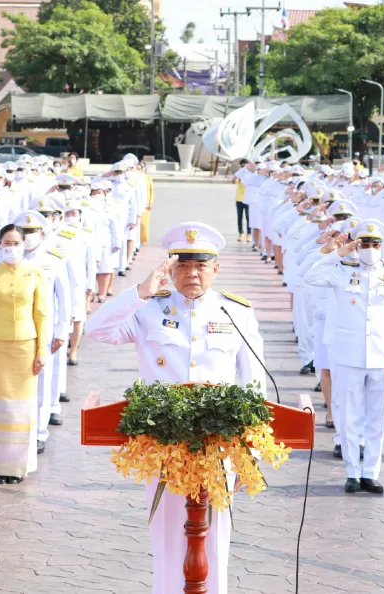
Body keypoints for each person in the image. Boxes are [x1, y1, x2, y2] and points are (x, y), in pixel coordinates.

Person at [85, 221, 265, 594]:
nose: (192, 274)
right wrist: (140, 291)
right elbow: (96, 329)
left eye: (201, 266)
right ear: (170, 269)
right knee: (166, 535)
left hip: (219, 445)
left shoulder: (236, 312)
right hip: (162, 444)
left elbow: (254, 383)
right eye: (183, 266)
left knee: (216, 538)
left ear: (216, 268)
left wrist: (253, 452)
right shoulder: (149, 309)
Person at [304, 219, 384, 493]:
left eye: (375, 244)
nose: (370, 249)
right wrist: (338, 252)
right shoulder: (341, 270)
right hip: (348, 354)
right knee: (349, 416)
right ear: (357, 245)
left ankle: (370, 472)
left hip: (381, 355)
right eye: (365, 243)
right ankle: (352, 471)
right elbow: (310, 276)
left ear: (382, 246)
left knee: (377, 417)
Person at [0, 223, 48, 484]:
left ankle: (18, 467)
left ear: (24, 245)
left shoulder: (35, 273)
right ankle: (0, 465)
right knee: (0, 407)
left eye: (16, 243)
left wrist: (42, 350)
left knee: (22, 408)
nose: (12, 248)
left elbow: (41, 315)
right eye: (7, 243)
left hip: (26, 347)